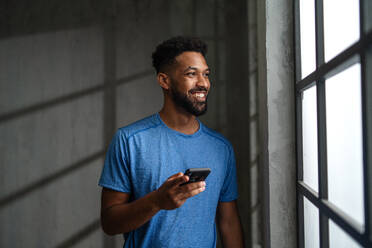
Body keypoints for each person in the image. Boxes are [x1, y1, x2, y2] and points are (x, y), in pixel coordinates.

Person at [98, 36, 245, 248]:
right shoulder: (130, 140)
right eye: (191, 74)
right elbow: (110, 223)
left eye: (206, 74)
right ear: (164, 81)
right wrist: (157, 201)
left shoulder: (221, 148)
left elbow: (229, 223)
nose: (203, 83)